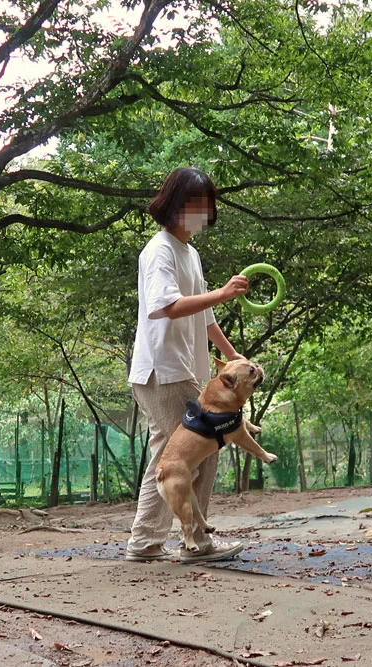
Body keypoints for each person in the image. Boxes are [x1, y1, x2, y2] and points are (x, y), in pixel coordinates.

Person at [125, 167, 250, 563]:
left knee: (175, 455)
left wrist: (232, 356)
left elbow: (204, 318)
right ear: (175, 205)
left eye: (206, 205)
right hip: (163, 371)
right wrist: (222, 293)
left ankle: (150, 543)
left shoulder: (189, 252)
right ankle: (191, 542)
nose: (203, 212)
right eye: (196, 204)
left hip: (181, 370)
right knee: (193, 451)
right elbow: (166, 307)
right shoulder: (158, 250)